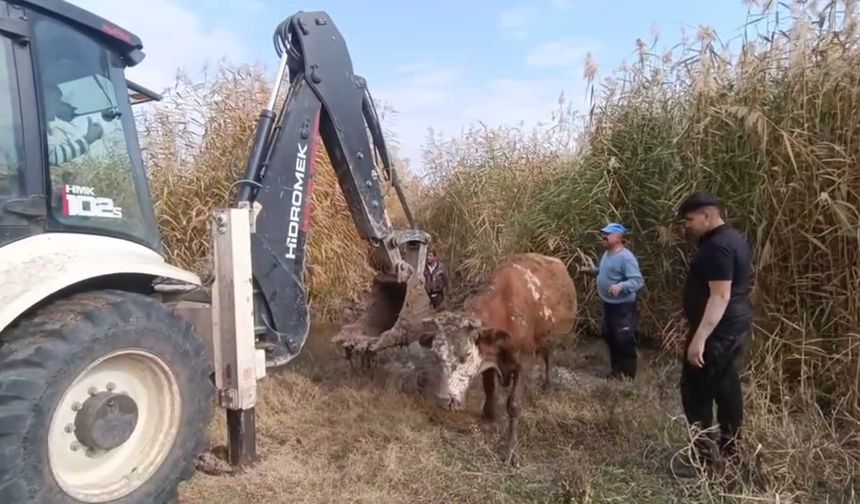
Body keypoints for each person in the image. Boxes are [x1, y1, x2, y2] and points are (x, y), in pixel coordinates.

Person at [673, 191, 753, 476]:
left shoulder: (717, 247)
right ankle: (732, 453)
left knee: (696, 392)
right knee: (726, 388)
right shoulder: (732, 239)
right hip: (731, 326)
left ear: (707, 215)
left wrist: (699, 339)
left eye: (690, 219)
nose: (687, 226)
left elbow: (720, 296)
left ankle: (703, 459)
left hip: (718, 331)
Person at [585, 222, 644, 380]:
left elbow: (637, 281)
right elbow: (606, 272)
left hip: (623, 307)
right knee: (610, 337)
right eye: (603, 233)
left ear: (618, 237)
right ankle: (616, 372)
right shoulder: (607, 254)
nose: (603, 237)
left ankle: (628, 377)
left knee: (623, 340)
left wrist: (621, 286)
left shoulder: (626, 257)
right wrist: (593, 272)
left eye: (607, 234)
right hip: (609, 305)